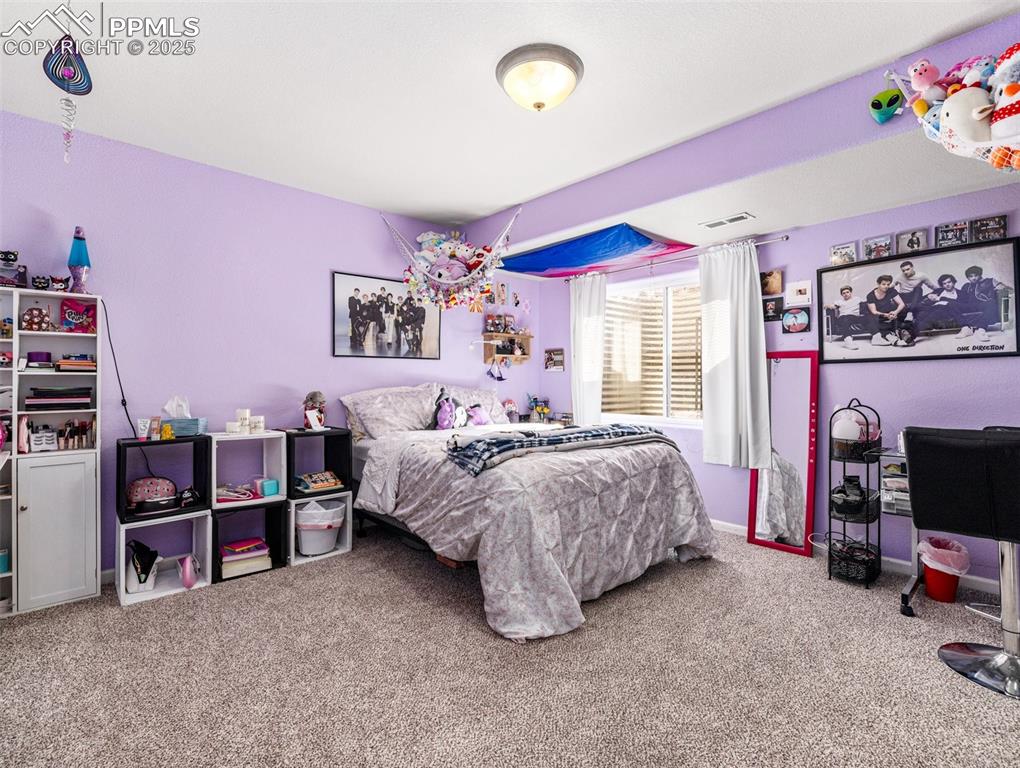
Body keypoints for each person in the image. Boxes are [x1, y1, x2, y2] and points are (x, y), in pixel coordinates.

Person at [956, 265, 1011, 341]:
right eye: (971, 276)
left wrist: (1000, 287)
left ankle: (980, 330)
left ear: (980, 275)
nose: (973, 278)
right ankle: (966, 329)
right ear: (968, 278)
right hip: (969, 306)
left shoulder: (989, 281)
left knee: (991, 302)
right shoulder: (966, 286)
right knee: (952, 304)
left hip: (983, 304)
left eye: (976, 275)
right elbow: (960, 298)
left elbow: (1005, 287)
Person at [866, 275, 907, 346]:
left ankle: (892, 335)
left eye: (888, 284)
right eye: (883, 284)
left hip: (889, 313)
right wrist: (886, 315)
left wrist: (895, 312)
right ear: (878, 284)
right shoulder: (870, 295)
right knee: (872, 316)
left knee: (903, 310)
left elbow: (901, 304)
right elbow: (874, 311)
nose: (886, 286)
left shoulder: (891, 291)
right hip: (878, 315)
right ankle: (889, 337)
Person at [824, 285, 865, 350]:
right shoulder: (839, 302)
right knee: (845, 318)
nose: (846, 294)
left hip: (854, 317)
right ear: (842, 295)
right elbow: (831, 306)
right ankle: (848, 340)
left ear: (851, 292)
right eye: (844, 293)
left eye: (847, 292)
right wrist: (827, 306)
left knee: (849, 317)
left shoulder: (857, 299)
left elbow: (868, 303)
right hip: (843, 318)